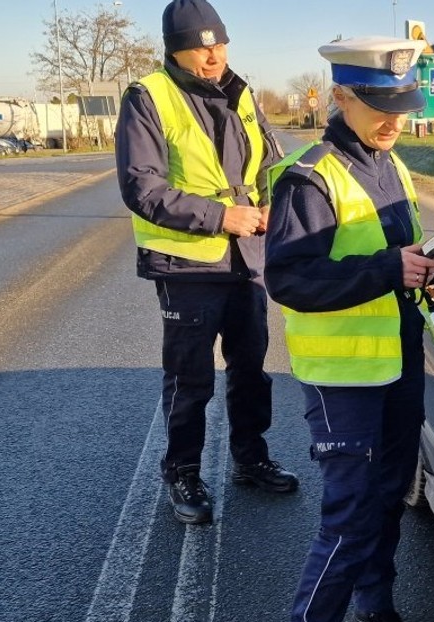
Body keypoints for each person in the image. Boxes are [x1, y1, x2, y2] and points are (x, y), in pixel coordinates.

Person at [264, 36, 434, 622]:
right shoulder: (309, 177)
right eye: (379, 104)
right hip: (343, 379)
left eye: (403, 105)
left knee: (388, 498)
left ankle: (376, 609)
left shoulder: (391, 163)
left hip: (397, 361)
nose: (395, 119)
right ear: (340, 96)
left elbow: (391, 259)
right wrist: (385, 269)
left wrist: (427, 266)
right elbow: (289, 281)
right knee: (348, 518)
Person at [115, 0, 298, 526]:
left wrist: (280, 201)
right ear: (175, 48)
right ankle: (182, 471)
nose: (213, 53)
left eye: (219, 42)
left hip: (247, 259)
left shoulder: (241, 93)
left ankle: (250, 457)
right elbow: (142, 187)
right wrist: (224, 216)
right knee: (190, 378)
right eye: (200, 44)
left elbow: (269, 161)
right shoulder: (148, 97)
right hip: (187, 265)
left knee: (251, 368)